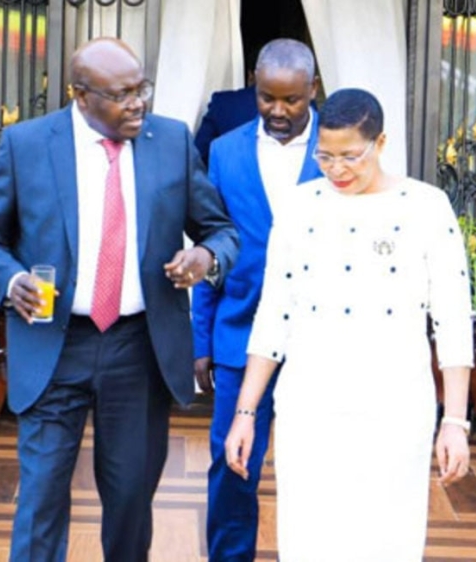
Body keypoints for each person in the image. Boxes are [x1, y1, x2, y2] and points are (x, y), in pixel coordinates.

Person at [0, 37, 239, 561]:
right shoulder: (27, 145)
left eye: (142, 89)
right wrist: (9, 278)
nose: (138, 103)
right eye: (122, 94)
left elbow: (220, 231)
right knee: (41, 499)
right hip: (53, 343)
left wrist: (205, 257)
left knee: (131, 501)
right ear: (81, 95)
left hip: (138, 348)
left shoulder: (172, 142)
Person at [224, 88, 473, 561]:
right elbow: (274, 315)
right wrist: (245, 413)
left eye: (350, 157)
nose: (336, 169)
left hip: (396, 407)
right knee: (310, 539)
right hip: (310, 405)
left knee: (388, 539)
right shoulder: (299, 207)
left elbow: (453, 322)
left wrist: (455, 422)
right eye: (325, 156)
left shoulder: (426, 207)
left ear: (380, 143)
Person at [191, 38, 321, 562]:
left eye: (292, 100)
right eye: (268, 98)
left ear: (314, 89)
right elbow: (208, 246)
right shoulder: (224, 151)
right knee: (231, 462)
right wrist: (201, 338)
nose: (279, 111)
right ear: (254, 84)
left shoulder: (339, 148)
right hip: (237, 336)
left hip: (319, 337)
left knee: (313, 463)